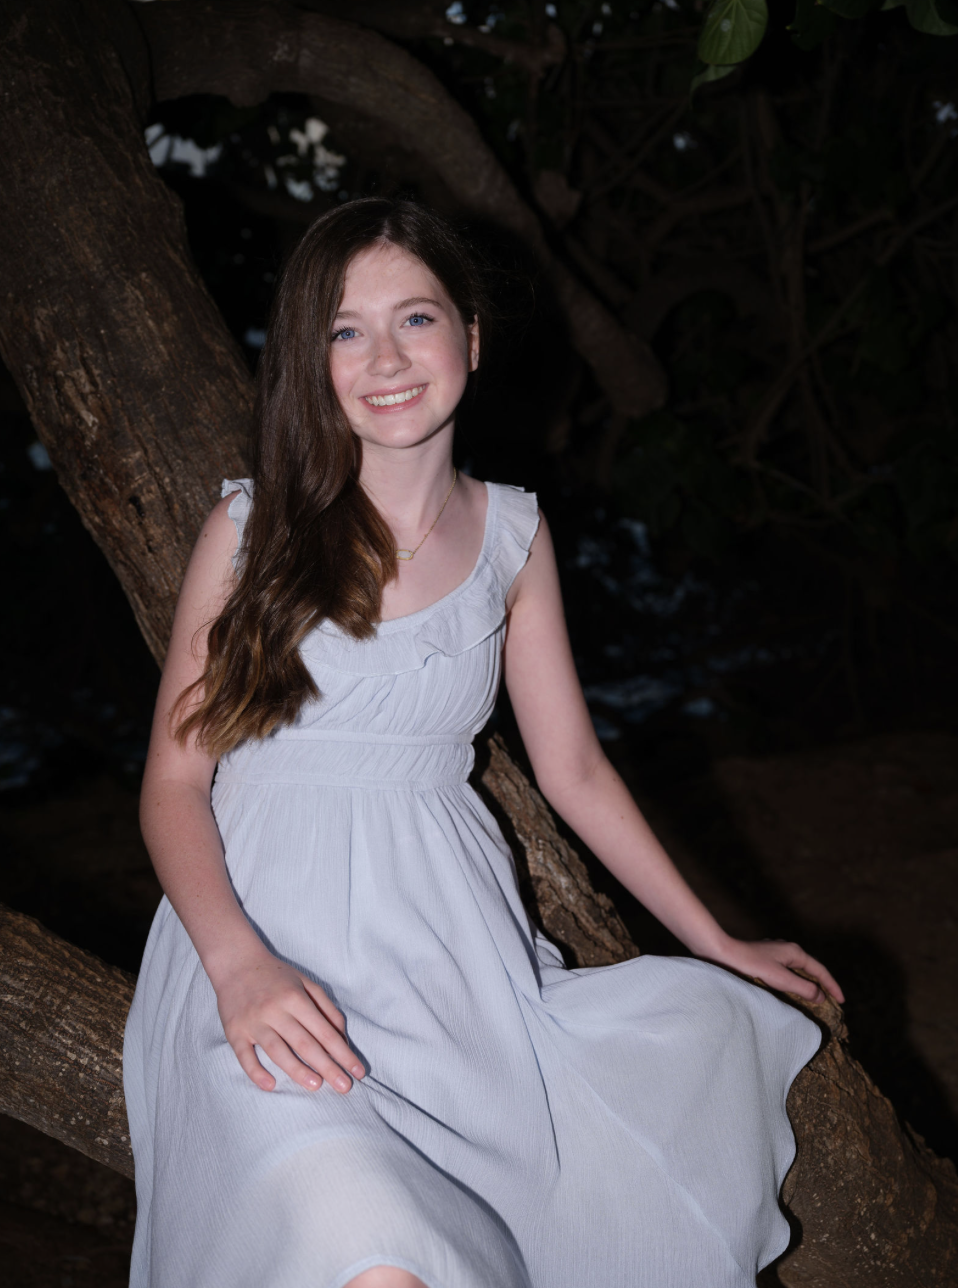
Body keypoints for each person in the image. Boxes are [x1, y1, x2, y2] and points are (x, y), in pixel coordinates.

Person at [123, 197, 843, 1288]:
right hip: (255, 942)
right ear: (310, 363)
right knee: (361, 1245)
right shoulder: (249, 527)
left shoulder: (515, 533)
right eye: (343, 330)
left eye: (413, 318)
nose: (384, 358)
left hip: (444, 959)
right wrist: (239, 965)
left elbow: (575, 771)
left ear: (470, 333)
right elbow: (173, 783)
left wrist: (714, 937)